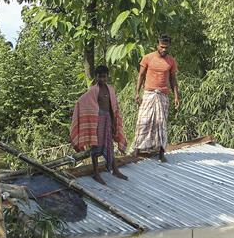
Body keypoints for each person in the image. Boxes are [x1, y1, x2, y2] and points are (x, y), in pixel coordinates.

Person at [70, 65, 128, 185]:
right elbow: (81, 102)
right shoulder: (93, 90)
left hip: (108, 119)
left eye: (104, 77)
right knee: (96, 146)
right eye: (100, 77)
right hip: (97, 121)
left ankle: (115, 169)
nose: (102, 79)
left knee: (110, 145)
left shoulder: (110, 89)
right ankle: (96, 173)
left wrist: (113, 122)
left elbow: (113, 107)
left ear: (107, 77)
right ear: (96, 77)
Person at [132, 34, 180, 162]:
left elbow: (173, 80)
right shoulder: (148, 58)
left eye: (166, 47)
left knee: (161, 123)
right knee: (143, 121)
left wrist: (176, 96)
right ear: (157, 45)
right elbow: (141, 75)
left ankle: (161, 153)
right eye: (162, 47)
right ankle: (136, 150)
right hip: (149, 93)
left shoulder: (171, 61)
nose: (164, 49)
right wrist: (137, 93)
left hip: (163, 95)